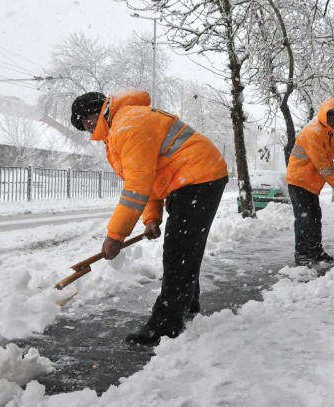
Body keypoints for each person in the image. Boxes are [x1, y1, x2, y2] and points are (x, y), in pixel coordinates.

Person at [70, 90, 228, 344]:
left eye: (86, 124)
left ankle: (165, 325)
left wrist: (115, 236)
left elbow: (137, 186)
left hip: (199, 177)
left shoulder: (128, 125)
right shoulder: (124, 124)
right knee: (184, 246)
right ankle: (187, 304)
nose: (89, 131)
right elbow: (151, 175)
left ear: (93, 115)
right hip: (191, 177)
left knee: (180, 250)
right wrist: (151, 218)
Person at [285, 96, 334, 266]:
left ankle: (315, 250)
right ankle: (302, 253)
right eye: (331, 115)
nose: (333, 119)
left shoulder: (330, 135)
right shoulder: (314, 132)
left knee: (314, 217)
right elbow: (322, 164)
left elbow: (329, 163)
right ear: (323, 114)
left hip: (310, 183)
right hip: (299, 180)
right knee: (304, 217)